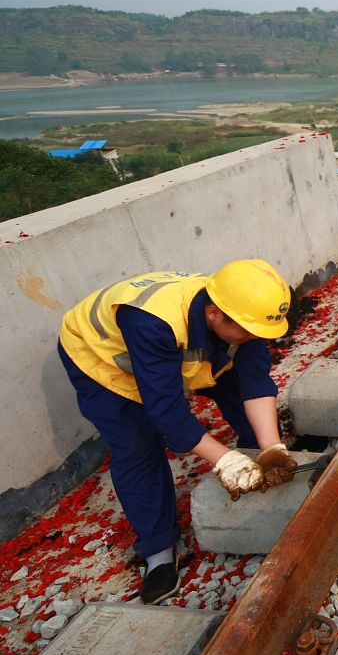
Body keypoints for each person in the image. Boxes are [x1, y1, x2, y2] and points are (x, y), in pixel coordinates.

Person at [58, 259, 300, 604]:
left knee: (234, 385)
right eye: (249, 331)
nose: (255, 338)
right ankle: (158, 552)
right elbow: (167, 412)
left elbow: (255, 382)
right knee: (138, 444)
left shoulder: (243, 314)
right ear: (215, 314)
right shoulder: (151, 322)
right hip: (102, 359)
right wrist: (224, 461)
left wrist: (271, 447)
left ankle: (255, 461)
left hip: (175, 344)